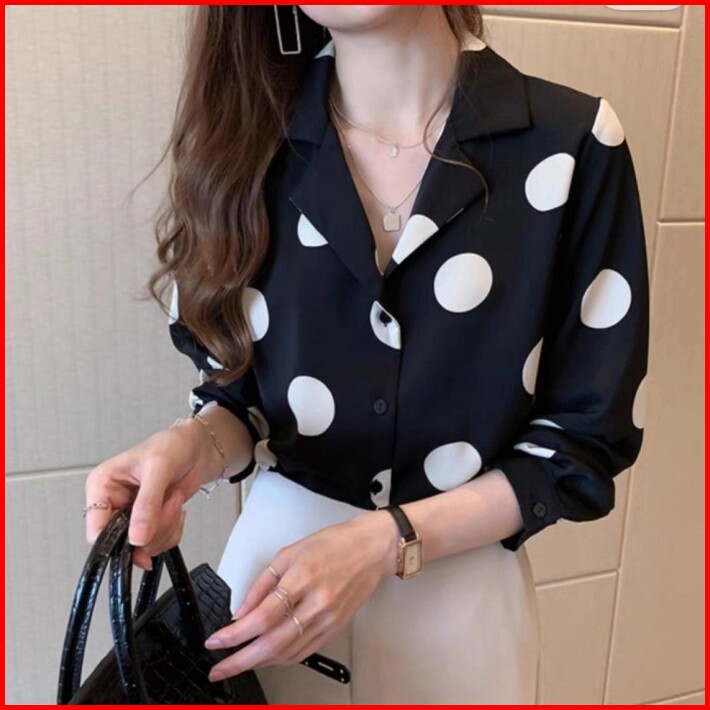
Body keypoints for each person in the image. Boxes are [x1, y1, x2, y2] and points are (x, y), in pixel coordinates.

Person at [84, 5, 650, 704]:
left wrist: (389, 540)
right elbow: (241, 399)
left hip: (460, 615)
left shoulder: (572, 144)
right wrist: (190, 448)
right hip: (266, 601)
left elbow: (580, 442)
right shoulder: (245, 141)